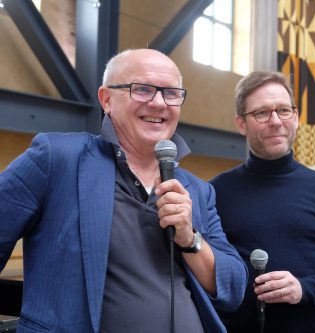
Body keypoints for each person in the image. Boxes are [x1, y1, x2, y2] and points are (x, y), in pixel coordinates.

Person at [0, 48, 247, 333]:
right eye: (142, 90)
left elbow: (233, 287)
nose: (158, 103)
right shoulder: (58, 158)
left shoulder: (197, 191)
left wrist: (190, 239)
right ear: (107, 99)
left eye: (171, 93)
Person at [210, 70, 315, 333]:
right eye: (261, 113)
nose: (275, 121)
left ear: (295, 117)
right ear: (241, 124)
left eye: (283, 110)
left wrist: (303, 289)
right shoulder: (216, 191)